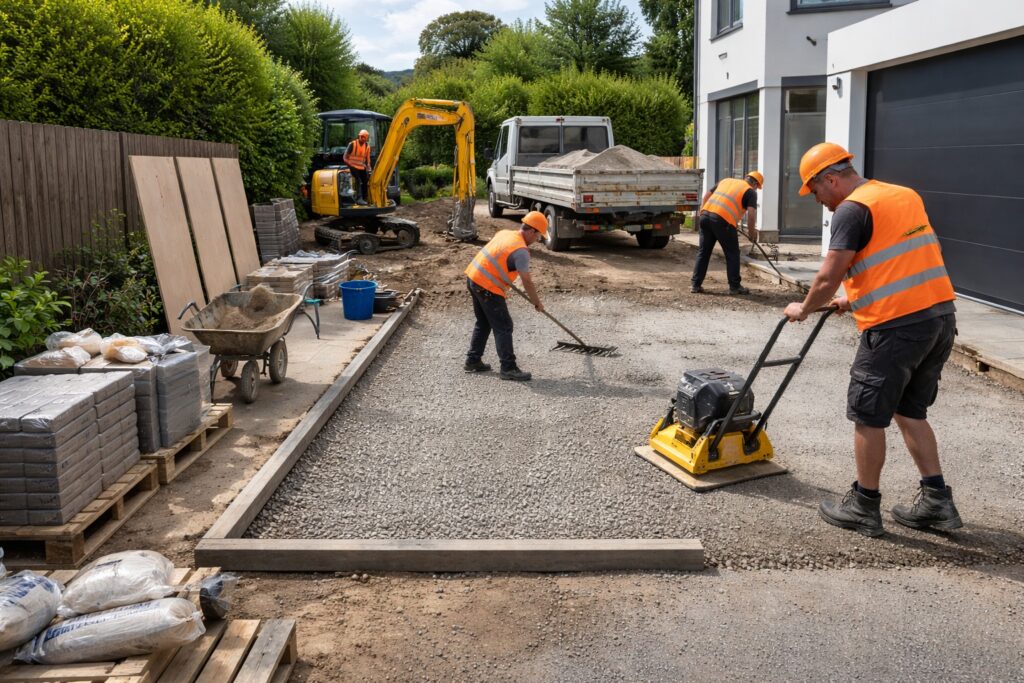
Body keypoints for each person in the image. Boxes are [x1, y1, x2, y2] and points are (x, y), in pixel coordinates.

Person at [784, 142, 961, 538]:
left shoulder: (851, 209)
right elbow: (902, 259)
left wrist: (805, 308)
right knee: (910, 411)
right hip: (939, 318)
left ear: (830, 179)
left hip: (895, 327)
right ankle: (937, 500)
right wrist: (856, 296)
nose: (819, 201)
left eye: (815, 191)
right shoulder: (902, 195)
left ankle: (864, 505)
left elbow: (827, 276)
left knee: (868, 414)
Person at [464, 211, 548, 381]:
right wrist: (536, 302)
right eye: (538, 236)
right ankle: (508, 368)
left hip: (473, 277)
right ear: (532, 231)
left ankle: (473, 360)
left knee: (484, 322)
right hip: (487, 286)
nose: (537, 240)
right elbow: (527, 281)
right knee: (504, 326)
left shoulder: (505, 233)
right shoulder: (521, 251)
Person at [691, 170, 763, 295]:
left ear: (746, 178)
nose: (756, 190)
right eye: (758, 188)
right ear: (756, 184)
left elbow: (707, 195)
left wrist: (702, 212)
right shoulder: (750, 192)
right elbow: (751, 215)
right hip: (723, 222)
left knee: (704, 252)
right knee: (732, 253)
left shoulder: (726, 180)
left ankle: (695, 285)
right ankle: (735, 286)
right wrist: (752, 235)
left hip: (705, 216)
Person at [343, 129, 372, 205]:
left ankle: (365, 198)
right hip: (352, 167)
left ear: (367, 138)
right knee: (358, 180)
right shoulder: (352, 144)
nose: (363, 138)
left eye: (364, 137)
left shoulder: (367, 146)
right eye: (361, 136)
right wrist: (351, 165)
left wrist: (369, 168)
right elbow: (345, 158)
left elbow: (368, 160)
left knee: (366, 181)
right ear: (359, 136)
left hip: (362, 167)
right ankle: (359, 199)